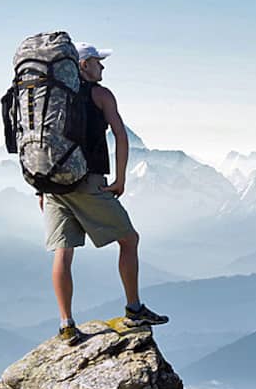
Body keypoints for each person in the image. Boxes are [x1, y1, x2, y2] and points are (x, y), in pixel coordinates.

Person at [39, 41, 168, 345]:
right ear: (83, 65)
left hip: (52, 184)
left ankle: (66, 324)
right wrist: (120, 178)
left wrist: (40, 188)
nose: (102, 66)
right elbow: (121, 136)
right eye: (97, 61)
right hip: (87, 182)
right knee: (129, 239)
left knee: (63, 252)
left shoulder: (53, 96)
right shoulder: (100, 94)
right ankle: (134, 309)